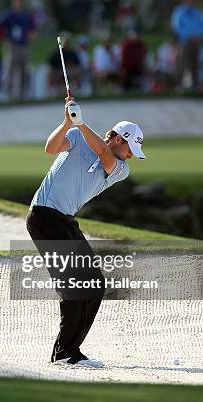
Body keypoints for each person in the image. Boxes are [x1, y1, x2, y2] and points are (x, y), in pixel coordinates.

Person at [27, 97, 145, 368]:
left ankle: (68, 350)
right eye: (131, 148)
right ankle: (66, 352)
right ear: (119, 138)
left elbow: (104, 154)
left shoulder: (120, 170)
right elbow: (50, 148)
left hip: (64, 221)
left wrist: (80, 123)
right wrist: (69, 121)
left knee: (94, 284)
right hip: (44, 215)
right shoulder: (77, 138)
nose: (131, 155)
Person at [0, 0, 35, 100]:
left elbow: (32, 28)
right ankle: (9, 93)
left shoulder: (26, 16)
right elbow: (0, 27)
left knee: (24, 70)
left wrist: (31, 37)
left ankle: (22, 94)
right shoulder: (8, 15)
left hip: (24, 45)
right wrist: (7, 39)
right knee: (10, 69)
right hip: (13, 46)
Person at [171, 0, 203, 90]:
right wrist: (189, 36)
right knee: (181, 63)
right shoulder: (179, 11)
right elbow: (177, 26)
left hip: (196, 41)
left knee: (195, 64)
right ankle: (179, 85)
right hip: (184, 42)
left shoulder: (197, 12)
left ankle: (194, 85)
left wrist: (196, 36)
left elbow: (202, 26)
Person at [47, 33, 80, 98]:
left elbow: (77, 64)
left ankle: (76, 90)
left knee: (77, 72)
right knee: (50, 74)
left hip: (70, 71)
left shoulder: (72, 53)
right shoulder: (56, 53)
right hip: (58, 71)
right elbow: (51, 65)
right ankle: (52, 92)